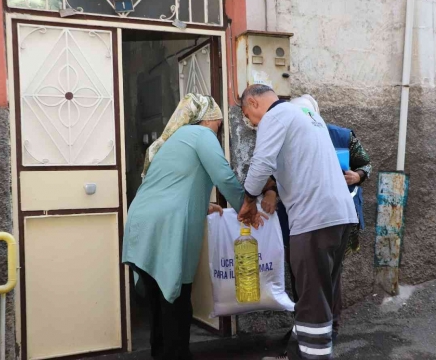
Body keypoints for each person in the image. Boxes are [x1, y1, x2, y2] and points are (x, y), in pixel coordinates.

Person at [122, 94, 263, 360]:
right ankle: (177, 355)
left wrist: (204, 205)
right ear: (208, 119)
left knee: (158, 299)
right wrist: (248, 208)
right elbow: (223, 175)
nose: (219, 129)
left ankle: (161, 353)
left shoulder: (173, 140)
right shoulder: (201, 135)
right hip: (166, 225)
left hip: (142, 221)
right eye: (219, 124)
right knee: (176, 299)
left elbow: (174, 182)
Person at [237, 85, 358, 360]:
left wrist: (247, 201)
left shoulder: (275, 116)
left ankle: (314, 354)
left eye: (248, 116)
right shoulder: (305, 114)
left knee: (312, 298)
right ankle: (301, 351)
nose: (251, 124)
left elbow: (260, 164)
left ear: (254, 103)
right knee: (323, 291)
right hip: (340, 215)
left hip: (313, 219)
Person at [268, 94, 372, 347]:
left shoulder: (341, 136)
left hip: (333, 217)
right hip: (298, 217)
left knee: (327, 278)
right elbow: (271, 171)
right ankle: (306, 327)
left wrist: (356, 176)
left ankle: (326, 330)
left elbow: (365, 164)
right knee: (305, 277)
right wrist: (270, 190)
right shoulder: (284, 135)